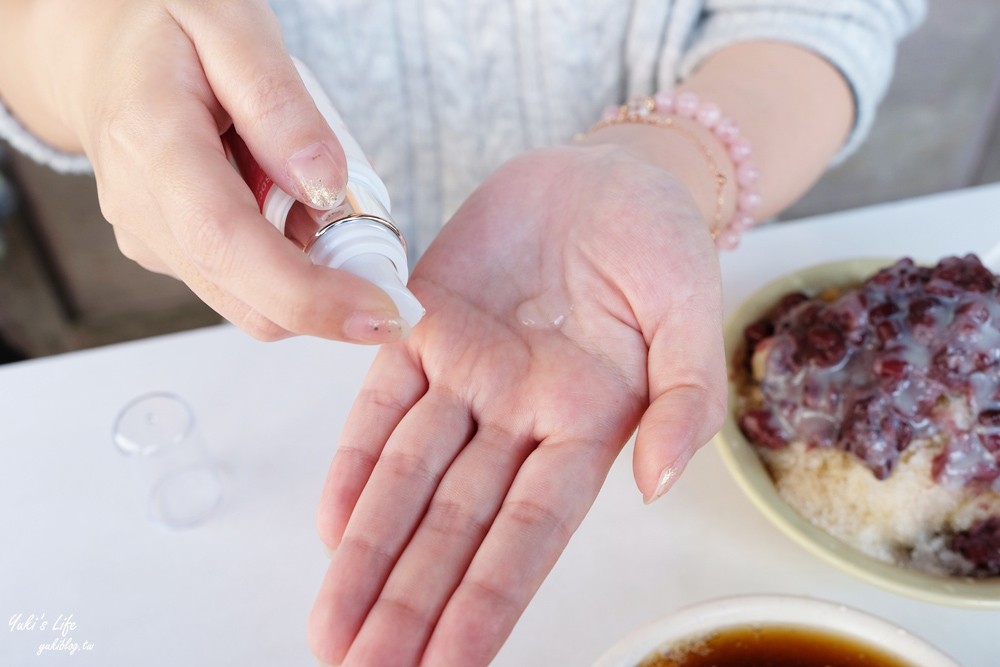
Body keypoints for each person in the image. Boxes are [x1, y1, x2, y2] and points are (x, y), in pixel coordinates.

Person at [0, 1, 927, 665]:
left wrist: (666, 165)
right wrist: (100, 54)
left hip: (616, 312)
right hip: (317, 345)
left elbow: (831, 17)